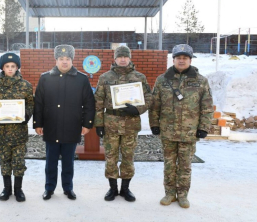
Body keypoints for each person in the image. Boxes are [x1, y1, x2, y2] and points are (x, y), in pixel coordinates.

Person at [149, 44, 213, 208]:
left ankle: (183, 195)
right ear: (174, 59)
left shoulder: (201, 81)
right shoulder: (162, 80)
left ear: (190, 60)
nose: (181, 60)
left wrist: (203, 127)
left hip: (189, 132)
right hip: (168, 132)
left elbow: (206, 106)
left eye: (185, 58)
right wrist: (154, 124)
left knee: (185, 166)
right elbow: (155, 105)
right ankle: (169, 193)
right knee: (169, 165)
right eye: (179, 58)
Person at [33, 44, 95, 201]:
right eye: (61, 59)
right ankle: (49, 188)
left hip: (71, 127)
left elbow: (89, 103)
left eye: (67, 58)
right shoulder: (45, 78)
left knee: (68, 162)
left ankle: (68, 188)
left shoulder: (81, 79)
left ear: (72, 60)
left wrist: (87, 124)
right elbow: (38, 103)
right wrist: (38, 123)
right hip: (51, 126)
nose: (64, 62)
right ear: (56, 60)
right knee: (50, 162)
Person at [94, 45, 152, 202]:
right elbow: (98, 102)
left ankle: (125, 188)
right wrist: (99, 124)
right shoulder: (105, 78)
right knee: (111, 156)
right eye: (120, 56)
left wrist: (138, 109)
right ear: (115, 58)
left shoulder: (139, 77)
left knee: (128, 156)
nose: (123, 59)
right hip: (111, 123)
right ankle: (112, 188)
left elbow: (149, 98)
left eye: (125, 56)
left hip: (130, 123)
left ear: (129, 58)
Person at [0, 52, 34, 202]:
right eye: (7, 66)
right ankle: (6, 189)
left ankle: (18, 189)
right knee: (4, 160)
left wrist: (26, 116)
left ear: (17, 67)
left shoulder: (25, 86)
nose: (10, 69)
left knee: (19, 161)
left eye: (13, 66)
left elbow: (31, 104)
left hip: (19, 132)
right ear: (3, 68)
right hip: (1, 132)